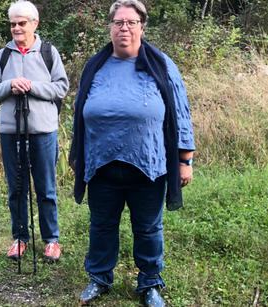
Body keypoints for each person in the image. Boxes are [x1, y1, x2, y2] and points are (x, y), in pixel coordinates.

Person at [68, 0, 195, 306]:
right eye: (118, 22)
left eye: (131, 22)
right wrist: (79, 156)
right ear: (110, 27)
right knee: (101, 226)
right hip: (101, 165)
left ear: (141, 27)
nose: (124, 27)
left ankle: (150, 283)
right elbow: (79, 112)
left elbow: (181, 112)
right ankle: (99, 278)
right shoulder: (94, 66)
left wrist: (184, 159)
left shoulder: (161, 65)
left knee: (149, 228)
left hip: (148, 164)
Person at [0, 0, 69, 262]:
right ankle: (20, 238)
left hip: (43, 131)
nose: (16, 28)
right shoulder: (4, 55)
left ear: (34, 23)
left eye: (22, 23)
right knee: (16, 188)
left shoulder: (48, 52)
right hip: (10, 132)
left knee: (46, 187)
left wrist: (31, 86)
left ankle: (51, 240)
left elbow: (61, 87)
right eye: (13, 24)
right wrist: (10, 84)